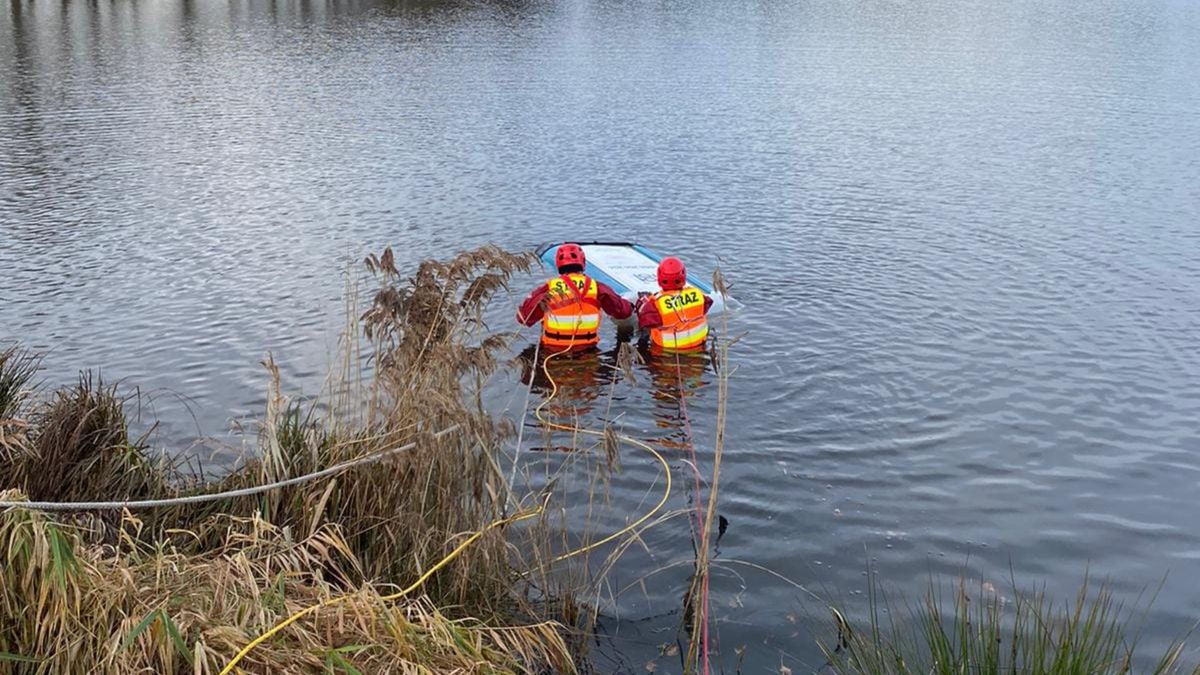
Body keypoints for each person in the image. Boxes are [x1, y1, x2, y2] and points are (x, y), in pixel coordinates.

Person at [516, 243, 634, 352]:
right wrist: (630, 304)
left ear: (558, 264)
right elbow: (622, 312)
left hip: (553, 350)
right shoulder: (597, 287)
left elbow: (524, 318)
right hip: (587, 350)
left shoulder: (549, 288)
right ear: (583, 262)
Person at [637, 256, 713, 353]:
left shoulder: (656, 303)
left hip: (668, 352)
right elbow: (707, 304)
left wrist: (643, 301)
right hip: (699, 346)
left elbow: (645, 321)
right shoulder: (698, 294)